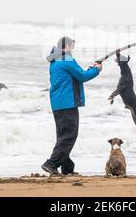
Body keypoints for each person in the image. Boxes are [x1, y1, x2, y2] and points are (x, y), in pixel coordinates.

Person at [42, 36, 102, 175]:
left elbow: (75, 75)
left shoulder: (56, 60)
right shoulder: (66, 58)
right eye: (72, 47)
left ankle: (67, 168)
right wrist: (97, 70)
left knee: (63, 136)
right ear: (67, 46)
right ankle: (51, 163)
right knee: (69, 136)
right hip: (67, 102)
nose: (72, 50)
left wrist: (90, 68)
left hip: (58, 103)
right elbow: (82, 76)